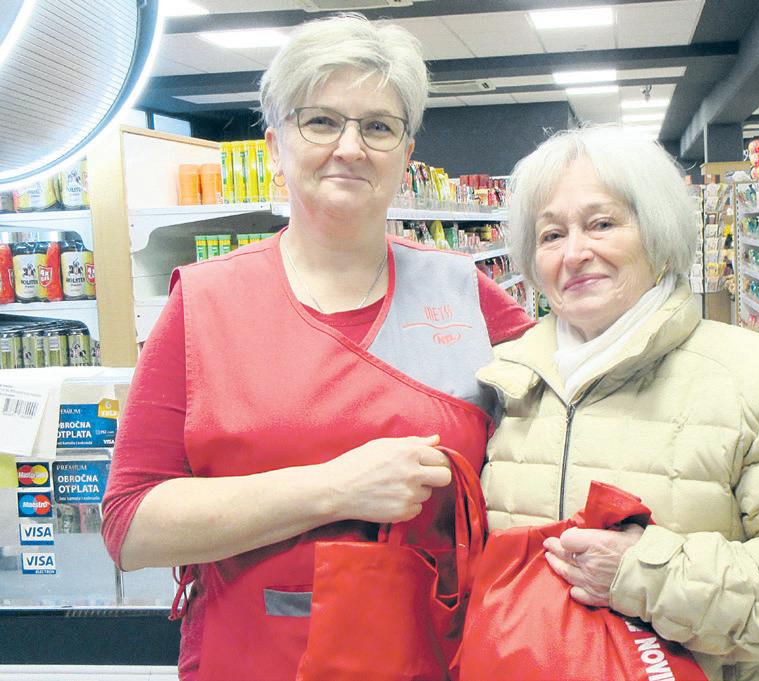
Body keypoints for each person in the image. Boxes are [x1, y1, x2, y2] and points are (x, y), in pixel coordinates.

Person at [101, 15, 532, 681]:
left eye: (378, 127)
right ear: (276, 146)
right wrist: (336, 488)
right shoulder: (205, 304)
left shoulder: (467, 295)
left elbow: (574, 427)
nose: (349, 147)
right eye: (321, 122)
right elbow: (130, 526)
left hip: (433, 657)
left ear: (405, 153)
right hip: (255, 661)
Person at [476, 125, 759, 681]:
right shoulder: (503, 381)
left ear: (658, 232)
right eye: (551, 235)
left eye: (602, 224)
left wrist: (647, 574)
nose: (574, 253)